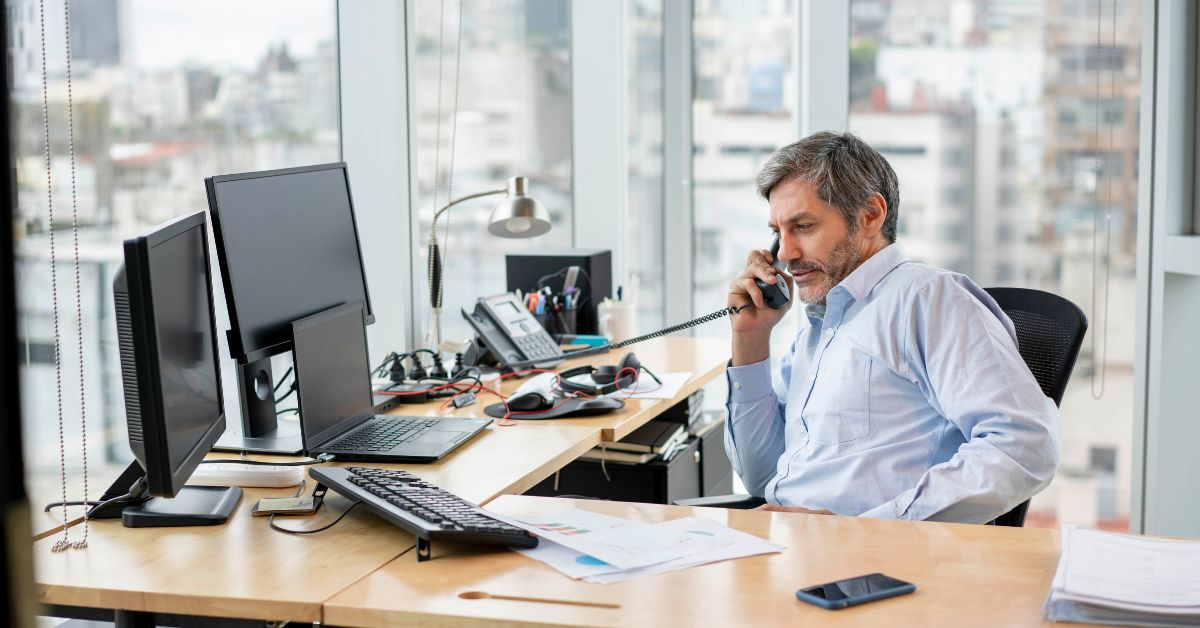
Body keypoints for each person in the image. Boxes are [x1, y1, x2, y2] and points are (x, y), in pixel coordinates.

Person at [725, 131, 1059, 523]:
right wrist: (750, 338)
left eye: (803, 226)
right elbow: (762, 476)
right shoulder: (820, 327)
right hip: (788, 546)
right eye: (778, 233)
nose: (786, 254)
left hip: (869, 565)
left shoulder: (928, 299)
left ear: (870, 216)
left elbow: (1025, 445)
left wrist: (868, 530)